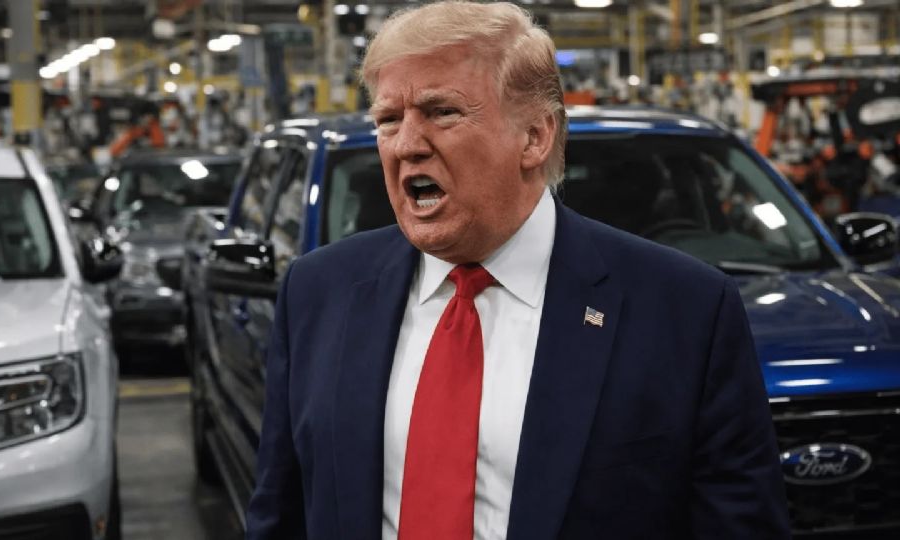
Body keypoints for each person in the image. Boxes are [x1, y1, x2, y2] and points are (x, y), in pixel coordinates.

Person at [244, 2, 789, 539]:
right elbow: (280, 514)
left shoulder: (686, 311)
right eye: (389, 120)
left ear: (534, 137)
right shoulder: (318, 292)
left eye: (442, 112)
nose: (406, 145)